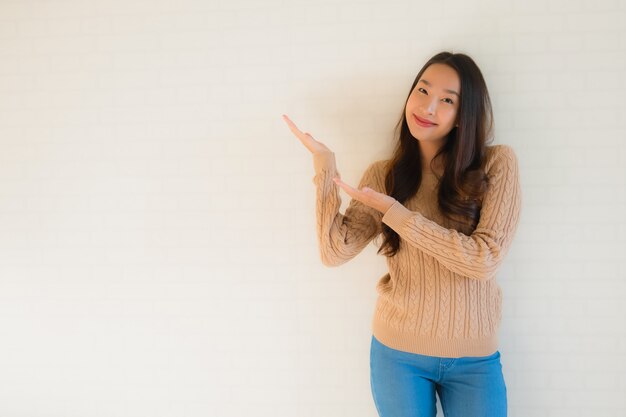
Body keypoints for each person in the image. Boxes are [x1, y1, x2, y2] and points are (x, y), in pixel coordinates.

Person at [282, 51, 521, 417]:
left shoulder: (496, 164)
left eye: (446, 100)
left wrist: (396, 214)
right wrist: (325, 167)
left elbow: (483, 259)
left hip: (474, 359)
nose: (428, 106)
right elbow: (335, 251)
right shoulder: (385, 176)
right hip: (398, 354)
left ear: (463, 116)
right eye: (422, 91)